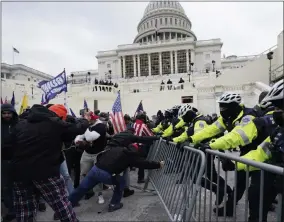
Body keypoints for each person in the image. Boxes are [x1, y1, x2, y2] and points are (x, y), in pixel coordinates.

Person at [11, 104, 89, 222]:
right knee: (61, 204)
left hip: (20, 174)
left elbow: (8, 147)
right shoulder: (54, 123)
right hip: (45, 173)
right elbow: (78, 128)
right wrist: (85, 118)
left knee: (24, 210)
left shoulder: (20, 124)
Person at [68, 128, 163, 212]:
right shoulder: (131, 156)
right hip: (105, 174)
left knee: (82, 188)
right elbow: (144, 164)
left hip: (95, 169)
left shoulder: (115, 148)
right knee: (121, 182)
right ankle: (114, 204)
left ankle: (66, 206)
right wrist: (158, 164)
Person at [235, 79, 284, 222]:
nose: (276, 113)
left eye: (280, 109)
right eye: (276, 109)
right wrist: (235, 162)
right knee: (256, 195)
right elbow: (260, 153)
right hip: (273, 180)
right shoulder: (278, 132)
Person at [75, 111, 107, 204]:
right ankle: (87, 192)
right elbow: (79, 136)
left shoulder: (101, 126)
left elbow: (89, 138)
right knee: (83, 173)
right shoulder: (88, 125)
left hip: (98, 153)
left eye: (90, 120)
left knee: (97, 175)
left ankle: (99, 194)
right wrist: (78, 140)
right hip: (87, 153)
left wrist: (85, 125)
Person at [1, 104, 18, 222]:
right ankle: (11, 210)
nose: (6, 115)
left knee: (18, 186)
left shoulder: (18, 125)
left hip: (18, 160)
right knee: (6, 187)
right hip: (3, 161)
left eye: (9, 113)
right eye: (4, 113)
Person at [133, 113, 155, 183]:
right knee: (141, 162)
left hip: (132, 145)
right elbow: (149, 135)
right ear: (143, 119)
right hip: (140, 146)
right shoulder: (143, 125)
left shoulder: (134, 124)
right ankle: (140, 178)